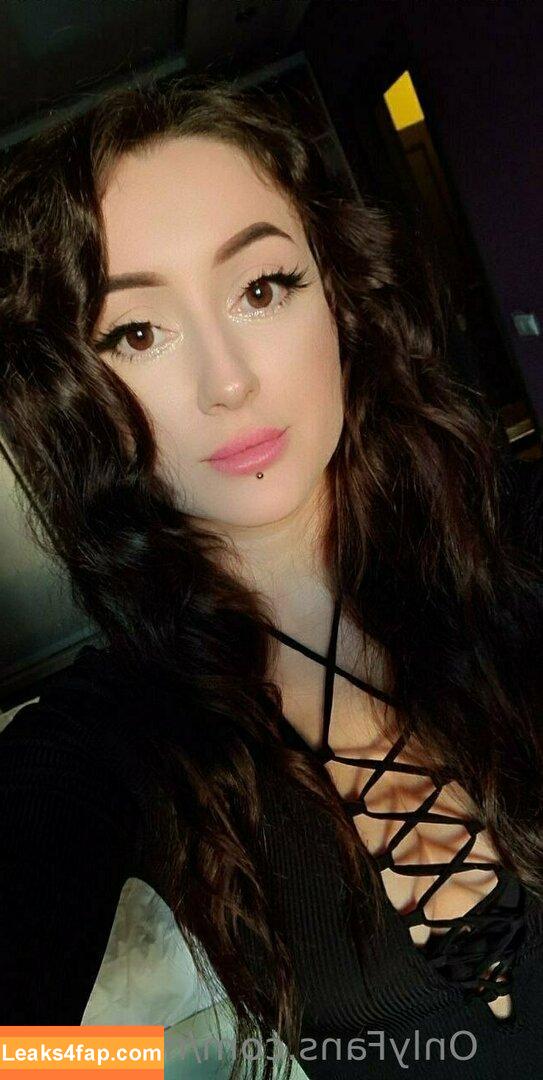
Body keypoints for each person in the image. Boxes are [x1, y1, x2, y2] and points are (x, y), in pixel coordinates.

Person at [0, 72, 542, 1080]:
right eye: (136, 333)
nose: (228, 380)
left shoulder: (512, 547)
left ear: (335, 294)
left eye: (261, 289)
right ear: (73, 392)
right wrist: (165, 1065)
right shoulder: (116, 735)